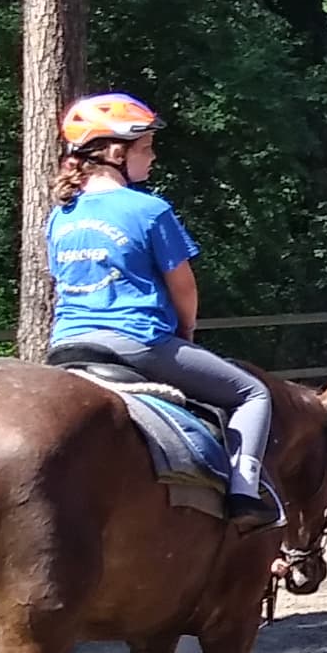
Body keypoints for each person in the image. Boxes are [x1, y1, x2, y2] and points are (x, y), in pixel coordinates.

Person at [44, 92, 278, 525]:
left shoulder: (61, 217)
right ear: (116, 153)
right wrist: (185, 332)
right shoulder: (149, 209)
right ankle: (244, 493)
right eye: (146, 148)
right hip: (137, 343)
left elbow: (63, 282)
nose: (152, 159)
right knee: (252, 393)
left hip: (66, 347)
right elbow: (183, 288)